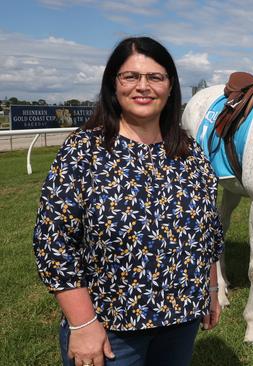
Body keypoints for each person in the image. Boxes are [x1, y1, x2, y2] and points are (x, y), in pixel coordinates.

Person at [33, 37, 224, 366]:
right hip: (110, 331)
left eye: (155, 77)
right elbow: (55, 244)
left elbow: (207, 233)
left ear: (170, 86)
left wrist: (210, 291)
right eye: (131, 77)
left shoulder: (189, 153)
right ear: (113, 84)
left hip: (182, 322)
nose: (143, 87)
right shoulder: (83, 152)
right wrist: (83, 324)